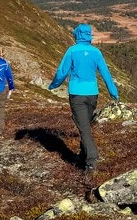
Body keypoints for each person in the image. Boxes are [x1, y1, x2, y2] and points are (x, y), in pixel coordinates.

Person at [48, 23, 118, 172]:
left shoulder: (72, 51)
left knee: (84, 128)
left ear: (77, 35)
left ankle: (91, 160)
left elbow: (62, 72)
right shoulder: (96, 52)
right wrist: (113, 91)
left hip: (77, 94)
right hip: (93, 94)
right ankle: (83, 155)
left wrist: (53, 85)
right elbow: (106, 74)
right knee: (84, 125)